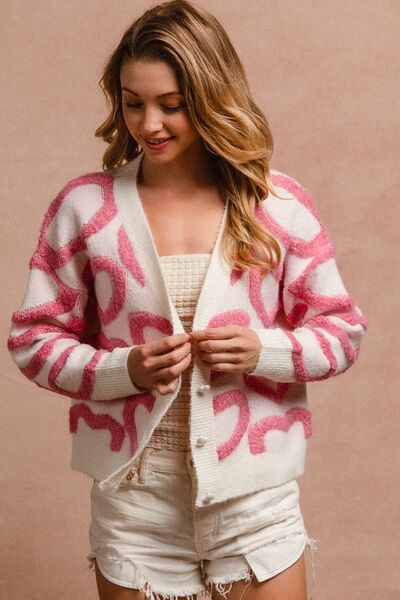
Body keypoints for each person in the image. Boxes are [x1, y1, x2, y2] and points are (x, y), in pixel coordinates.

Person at [7, 1, 367, 599]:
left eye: (171, 105)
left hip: (255, 504)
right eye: (133, 103)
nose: (149, 124)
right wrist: (124, 369)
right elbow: (32, 340)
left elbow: (342, 332)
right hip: (135, 503)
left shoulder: (275, 204)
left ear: (210, 96)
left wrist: (262, 351)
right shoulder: (85, 207)